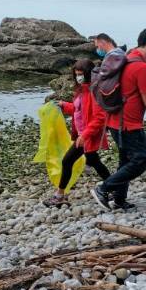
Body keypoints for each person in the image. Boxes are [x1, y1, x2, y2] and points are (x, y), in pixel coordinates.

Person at [91, 28, 146, 210]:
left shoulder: (127, 57)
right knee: (140, 160)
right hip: (129, 124)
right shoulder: (141, 67)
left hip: (114, 121)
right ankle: (103, 188)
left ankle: (119, 200)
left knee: (125, 161)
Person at [43, 59, 110, 207]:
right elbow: (78, 109)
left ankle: (59, 196)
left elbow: (100, 117)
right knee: (94, 162)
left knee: (67, 161)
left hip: (87, 137)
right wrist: (64, 105)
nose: (79, 77)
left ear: (88, 74)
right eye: (76, 74)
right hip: (83, 135)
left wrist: (85, 135)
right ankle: (115, 187)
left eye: (81, 74)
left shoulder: (94, 91)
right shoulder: (81, 90)